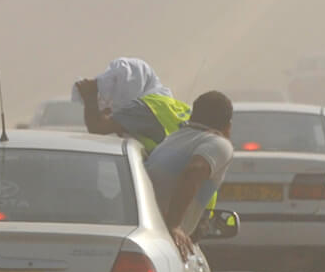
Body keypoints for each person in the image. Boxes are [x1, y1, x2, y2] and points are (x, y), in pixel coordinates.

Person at [142, 90, 237, 256]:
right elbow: (196, 169)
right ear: (228, 125)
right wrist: (174, 225)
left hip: (144, 231)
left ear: (193, 116)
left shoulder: (172, 138)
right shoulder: (219, 144)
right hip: (165, 241)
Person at [75, 57, 191, 150]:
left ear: (133, 83)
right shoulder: (169, 103)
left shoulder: (141, 107)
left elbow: (97, 128)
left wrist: (90, 96)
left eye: (118, 82)